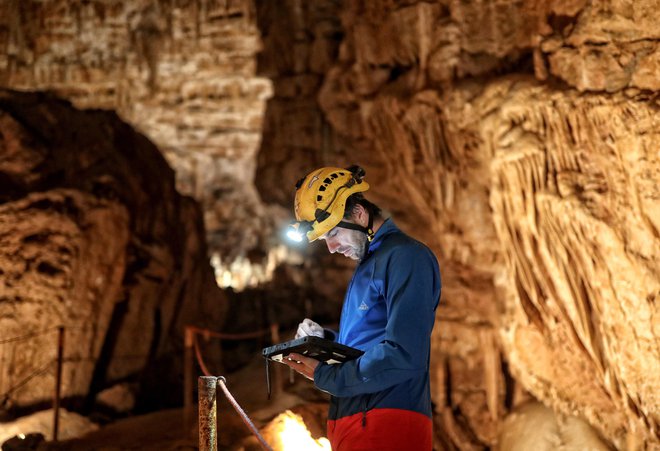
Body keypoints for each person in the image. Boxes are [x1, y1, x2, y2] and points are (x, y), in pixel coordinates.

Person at [282, 165, 441, 450]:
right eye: (323, 239)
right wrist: (324, 343)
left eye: (332, 233)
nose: (330, 248)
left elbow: (404, 354)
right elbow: (369, 340)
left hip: (387, 421)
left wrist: (328, 376)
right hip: (358, 419)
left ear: (358, 213)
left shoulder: (406, 257)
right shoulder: (371, 263)